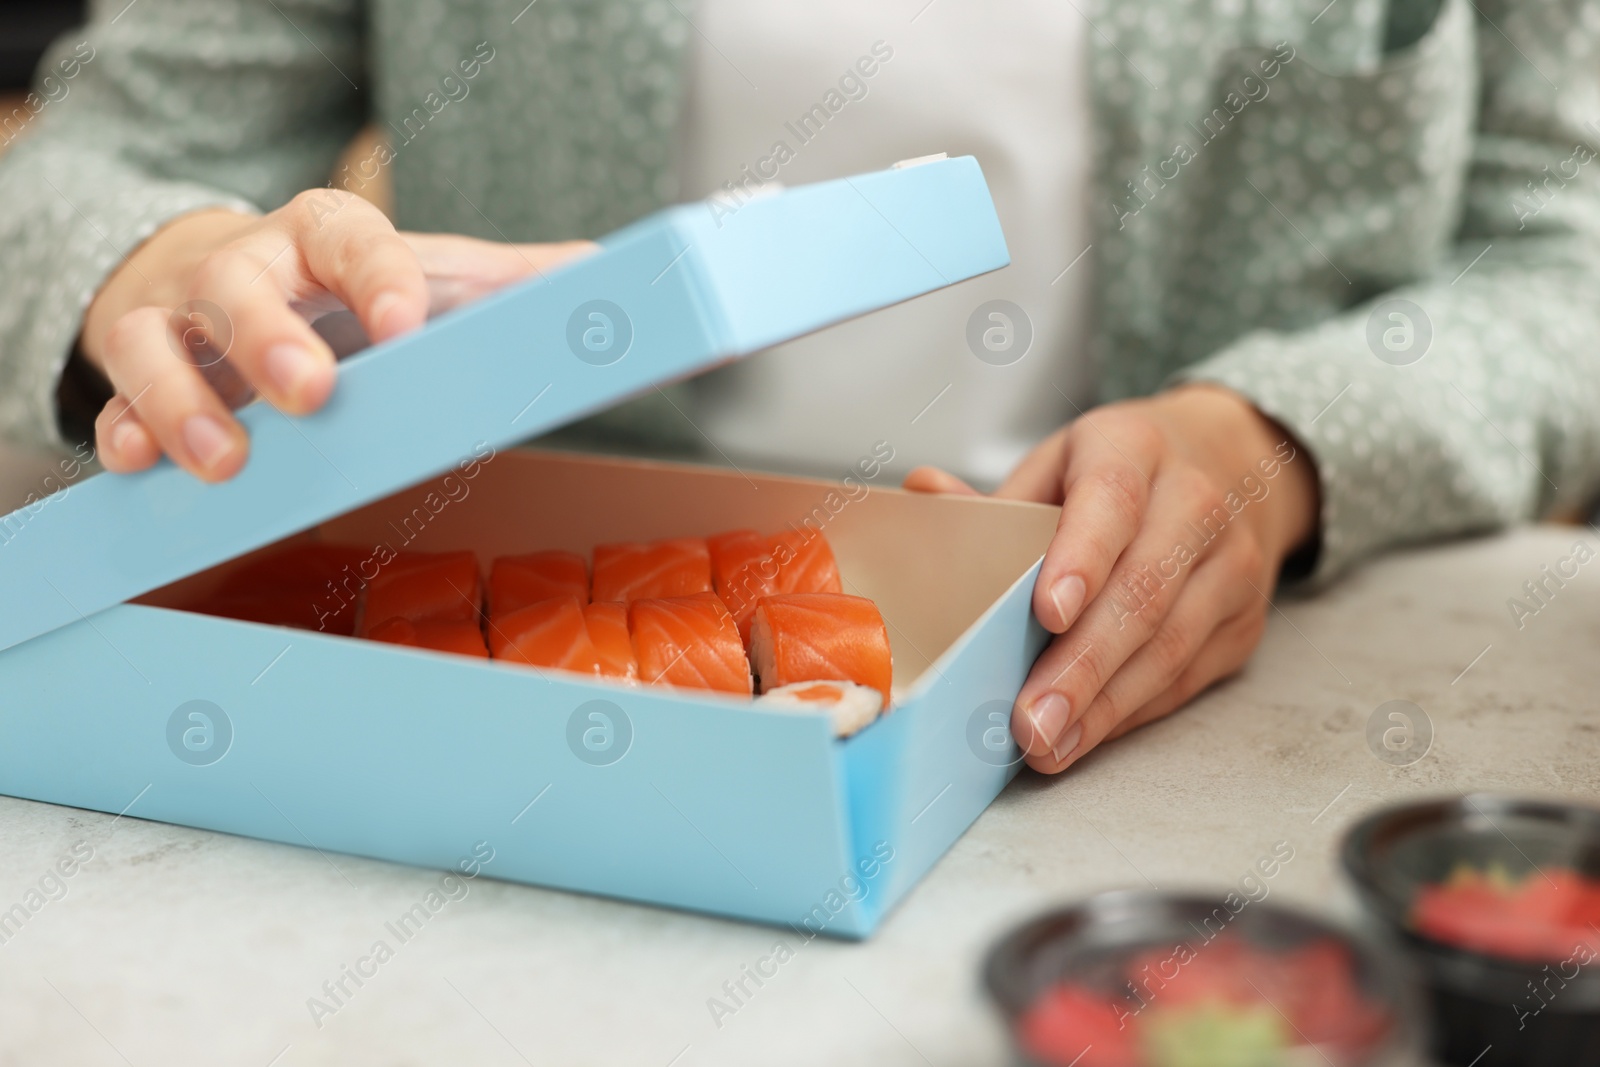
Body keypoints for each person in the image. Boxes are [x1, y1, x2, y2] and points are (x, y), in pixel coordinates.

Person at [2, 0, 1597, 776]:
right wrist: (148, 258)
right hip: (509, 648)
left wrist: (1283, 438)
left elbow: (1568, 253)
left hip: (1206, 713)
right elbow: (96, 155)